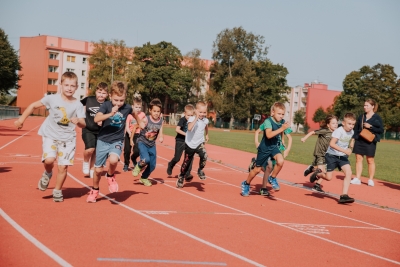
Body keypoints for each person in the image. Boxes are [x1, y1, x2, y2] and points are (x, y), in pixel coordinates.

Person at [14, 71, 86, 202]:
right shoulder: (52, 99)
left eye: (72, 86)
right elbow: (33, 106)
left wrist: (79, 121)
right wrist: (21, 120)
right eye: (66, 85)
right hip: (50, 135)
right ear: (61, 85)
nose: (69, 88)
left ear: (76, 87)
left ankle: (57, 190)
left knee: (63, 166)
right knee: (49, 160)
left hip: (68, 139)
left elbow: (83, 124)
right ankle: (47, 173)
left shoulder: (78, 104)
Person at [86, 81, 132, 203]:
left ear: (125, 97)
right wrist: (110, 113)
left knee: (113, 160)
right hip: (103, 140)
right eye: (116, 100)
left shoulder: (127, 107)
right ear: (110, 96)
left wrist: (141, 122)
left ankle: (111, 176)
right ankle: (95, 190)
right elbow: (96, 118)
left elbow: (135, 114)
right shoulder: (106, 106)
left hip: (116, 140)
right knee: (98, 170)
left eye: (121, 100)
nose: (118, 103)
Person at [241, 102, 289, 196]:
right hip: (264, 148)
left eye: (282, 114)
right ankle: (246, 183)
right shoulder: (268, 121)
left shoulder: (282, 122)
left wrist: (282, 139)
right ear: (272, 113)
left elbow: (282, 130)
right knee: (257, 170)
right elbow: (269, 135)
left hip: (274, 147)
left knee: (280, 161)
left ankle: (273, 178)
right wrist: (282, 129)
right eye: (279, 114)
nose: (281, 116)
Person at [301, 115, 339, 193]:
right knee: (321, 170)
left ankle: (316, 185)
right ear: (328, 125)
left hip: (327, 154)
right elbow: (313, 132)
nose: (335, 124)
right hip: (320, 153)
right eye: (333, 123)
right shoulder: (325, 131)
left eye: (336, 123)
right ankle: (313, 171)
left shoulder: (336, 133)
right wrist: (304, 138)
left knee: (325, 172)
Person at [350, 99, 384, 187]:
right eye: (364, 105)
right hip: (360, 140)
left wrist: (371, 127)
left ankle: (371, 179)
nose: (365, 107)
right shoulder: (361, 116)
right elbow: (356, 130)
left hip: (370, 141)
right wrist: (353, 140)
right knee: (358, 159)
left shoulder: (377, 118)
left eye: (367, 105)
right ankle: (357, 178)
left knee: (370, 160)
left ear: (373, 106)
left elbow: (381, 130)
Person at [176, 101, 209, 188]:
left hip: (199, 143)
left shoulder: (205, 120)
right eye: (200, 112)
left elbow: (206, 125)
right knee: (186, 163)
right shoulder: (191, 119)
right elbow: (189, 128)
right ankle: (181, 177)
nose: (202, 114)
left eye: (204, 112)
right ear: (196, 111)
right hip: (190, 144)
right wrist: (196, 118)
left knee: (205, 155)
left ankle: (200, 170)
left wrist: (207, 134)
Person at [325, 113, 356, 204]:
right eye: (349, 124)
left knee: (349, 173)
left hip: (342, 157)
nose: (351, 126)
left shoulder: (352, 132)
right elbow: (332, 144)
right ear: (343, 123)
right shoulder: (339, 131)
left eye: (353, 124)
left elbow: (351, 138)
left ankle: (344, 196)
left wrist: (351, 144)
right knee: (328, 177)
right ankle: (317, 173)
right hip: (331, 155)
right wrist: (345, 151)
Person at [131, 98, 164, 186]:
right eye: (154, 111)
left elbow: (160, 129)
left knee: (152, 165)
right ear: (150, 110)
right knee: (146, 159)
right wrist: (140, 122)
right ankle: (138, 165)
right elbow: (141, 124)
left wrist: (161, 136)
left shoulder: (160, 121)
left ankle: (144, 177)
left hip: (152, 145)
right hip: (143, 142)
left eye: (158, 111)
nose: (156, 113)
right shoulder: (147, 119)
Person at [81, 82, 108, 178]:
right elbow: (77, 105)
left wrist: (103, 120)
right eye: (99, 92)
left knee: (96, 151)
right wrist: (80, 117)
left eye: (104, 93)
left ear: (107, 95)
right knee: (90, 149)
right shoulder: (89, 99)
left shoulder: (108, 104)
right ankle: (85, 162)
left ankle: (92, 168)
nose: (101, 94)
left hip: (101, 131)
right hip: (88, 128)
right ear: (96, 91)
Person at [167, 104, 195, 179]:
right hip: (180, 140)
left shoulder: (193, 121)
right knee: (177, 158)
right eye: (188, 115)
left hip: (189, 142)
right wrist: (186, 134)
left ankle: (187, 173)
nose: (190, 117)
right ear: (184, 113)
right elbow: (177, 129)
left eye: (191, 115)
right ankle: (171, 164)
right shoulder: (182, 120)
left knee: (190, 157)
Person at [123, 94, 145, 172]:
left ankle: (133, 158)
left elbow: (144, 124)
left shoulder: (142, 115)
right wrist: (129, 133)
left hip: (138, 134)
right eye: (136, 107)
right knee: (127, 150)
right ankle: (126, 164)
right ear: (132, 106)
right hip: (129, 134)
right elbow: (127, 126)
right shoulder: (129, 115)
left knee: (137, 150)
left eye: (139, 107)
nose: (138, 109)